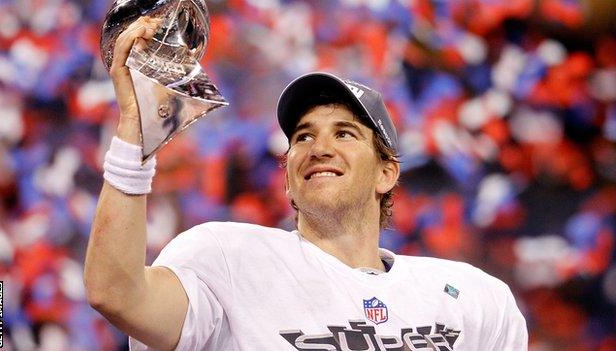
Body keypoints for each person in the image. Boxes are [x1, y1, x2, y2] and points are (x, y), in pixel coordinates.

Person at [84, 16, 528, 351]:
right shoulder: (228, 259)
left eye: (345, 133)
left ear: (386, 173)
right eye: (303, 136)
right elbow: (118, 295)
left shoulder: (473, 298)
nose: (319, 146)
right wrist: (135, 138)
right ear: (290, 180)